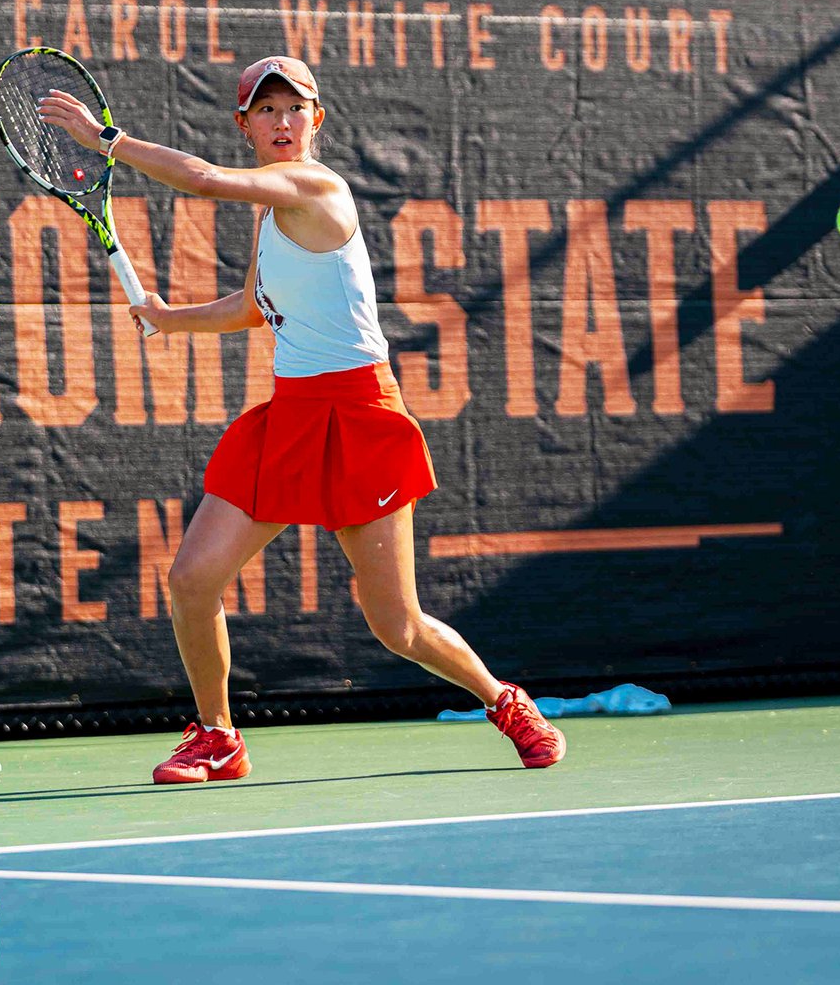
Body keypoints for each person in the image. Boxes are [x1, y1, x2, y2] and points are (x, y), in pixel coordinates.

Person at [37, 55, 567, 784]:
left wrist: (107, 142)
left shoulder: (317, 185)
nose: (283, 122)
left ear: (316, 121)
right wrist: (172, 318)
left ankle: (504, 702)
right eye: (267, 110)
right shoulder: (272, 213)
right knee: (192, 580)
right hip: (290, 415)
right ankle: (217, 738)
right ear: (245, 125)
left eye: (295, 109)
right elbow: (258, 304)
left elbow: (204, 179)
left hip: (359, 414)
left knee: (398, 627)